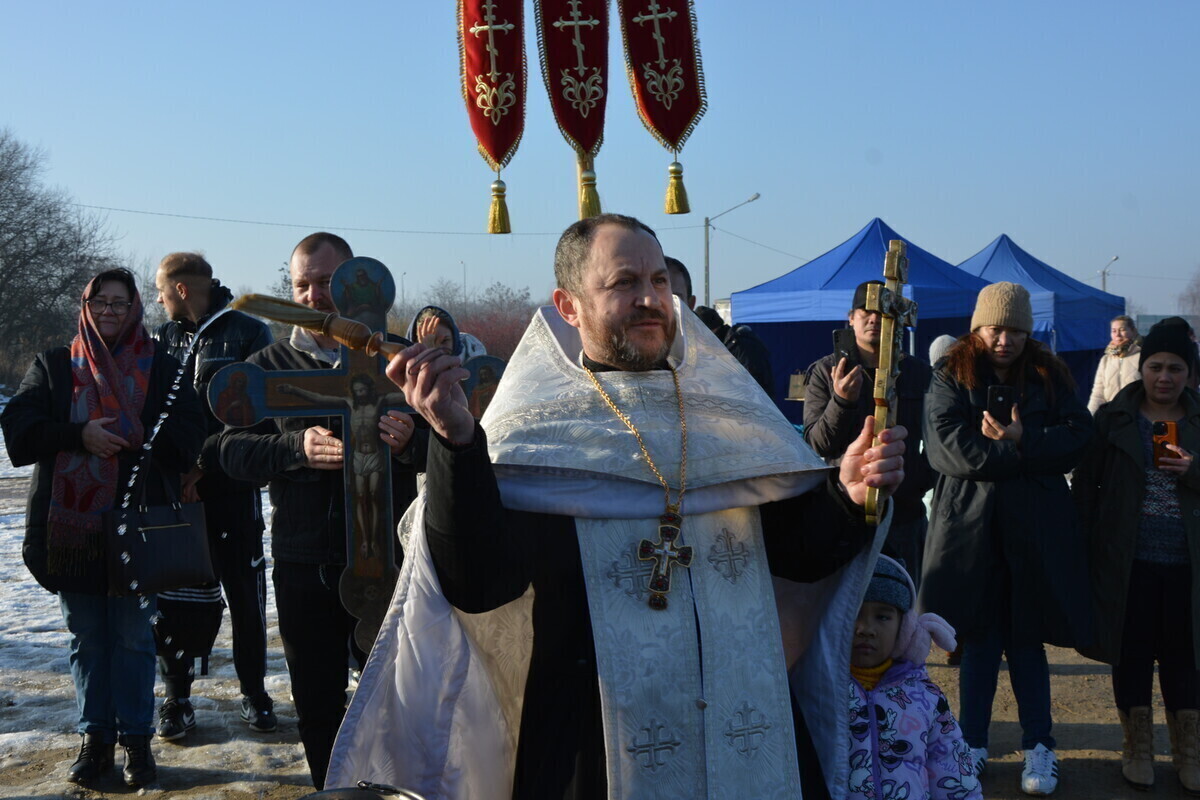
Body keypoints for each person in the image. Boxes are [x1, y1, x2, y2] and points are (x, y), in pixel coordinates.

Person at [327, 213, 908, 799]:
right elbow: (478, 584)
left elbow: (794, 555)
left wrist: (846, 496)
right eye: (624, 283)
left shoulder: (729, 413)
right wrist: (455, 441)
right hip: (595, 744)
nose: (650, 299)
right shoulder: (533, 434)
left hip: (744, 727)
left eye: (658, 281)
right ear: (569, 306)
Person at [217, 232, 418, 790]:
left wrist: (413, 441)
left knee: (399, 700)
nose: (312, 296)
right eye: (301, 285)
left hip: (392, 557)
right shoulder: (270, 364)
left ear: (354, 283)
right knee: (318, 703)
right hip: (305, 560)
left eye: (326, 282)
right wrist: (293, 448)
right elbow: (229, 451)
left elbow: (457, 438)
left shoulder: (397, 357)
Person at [0, 268, 204, 787]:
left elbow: (190, 434)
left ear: (135, 309)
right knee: (87, 637)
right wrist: (79, 435)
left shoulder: (163, 367)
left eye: (120, 302)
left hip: (139, 529)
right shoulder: (54, 365)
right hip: (73, 533)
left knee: (134, 638)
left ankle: (136, 741)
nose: (109, 311)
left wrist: (137, 439)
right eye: (100, 302)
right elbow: (19, 432)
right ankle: (95, 740)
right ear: (85, 306)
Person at [919, 281, 1093, 797]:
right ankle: (971, 743)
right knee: (978, 639)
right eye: (996, 329)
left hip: (1035, 529)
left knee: (1026, 640)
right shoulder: (951, 373)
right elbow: (947, 447)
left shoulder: (1048, 374)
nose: (1005, 340)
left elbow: (1080, 436)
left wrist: (1024, 438)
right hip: (970, 528)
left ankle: (1039, 744)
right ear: (978, 328)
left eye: (1015, 330)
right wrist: (1019, 455)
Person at [150, 252, 277, 741]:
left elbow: (260, 414)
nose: (159, 300)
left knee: (245, 595)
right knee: (174, 596)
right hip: (176, 492)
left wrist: (204, 462)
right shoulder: (162, 338)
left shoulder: (249, 332)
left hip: (231, 487)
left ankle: (254, 692)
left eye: (161, 291)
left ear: (181, 290)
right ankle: (176, 698)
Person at [1074, 321, 1200, 793]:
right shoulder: (1113, 419)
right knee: (1132, 655)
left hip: (1189, 565)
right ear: (1140, 368)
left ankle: (1189, 751)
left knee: (1186, 658)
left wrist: (1194, 470)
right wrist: (1085, 550)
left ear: (1189, 373)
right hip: (1126, 561)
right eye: (1155, 366)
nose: (1164, 377)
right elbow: (1085, 489)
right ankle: (1138, 748)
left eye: (1175, 368)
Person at [804, 280, 934, 589]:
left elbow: (936, 440)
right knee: (843, 603)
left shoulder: (918, 373)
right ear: (851, 318)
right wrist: (841, 401)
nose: (874, 319)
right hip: (844, 512)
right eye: (866, 312)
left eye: (882, 312)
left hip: (903, 514)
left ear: (897, 318)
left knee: (900, 600)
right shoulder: (826, 372)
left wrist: (915, 481)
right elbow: (817, 444)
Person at [847, 556, 979, 800]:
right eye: (853, 613)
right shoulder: (818, 693)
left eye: (882, 617)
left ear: (906, 628)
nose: (865, 628)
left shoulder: (926, 698)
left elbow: (953, 771)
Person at [694, 304, 775, 395]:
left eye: (698, 333)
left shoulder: (740, 345)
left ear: (708, 330)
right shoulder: (725, 344)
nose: (699, 339)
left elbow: (752, 383)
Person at [1087, 315, 1142, 414]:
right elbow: (1098, 393)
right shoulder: (1105, 360)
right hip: (1111, 416)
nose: (1117, 335)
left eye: (1122, 330)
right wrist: (1090, 416)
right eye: (1114, 331)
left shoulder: (1142, 357)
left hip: (1136, 415)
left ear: (1133, 331)